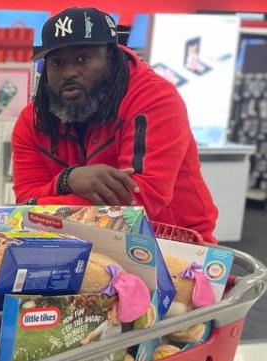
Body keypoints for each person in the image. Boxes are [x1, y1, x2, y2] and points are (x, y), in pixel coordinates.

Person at [11, 7, 219, 242]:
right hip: (74, 244)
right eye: (57, 63)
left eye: (82, 59)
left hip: (172, 246)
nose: (69, 72)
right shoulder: (32, 121)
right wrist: (69, 179)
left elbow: (137, 202)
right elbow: (24, 201)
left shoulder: (155, 99)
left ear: (110, 58)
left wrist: (40, 209)